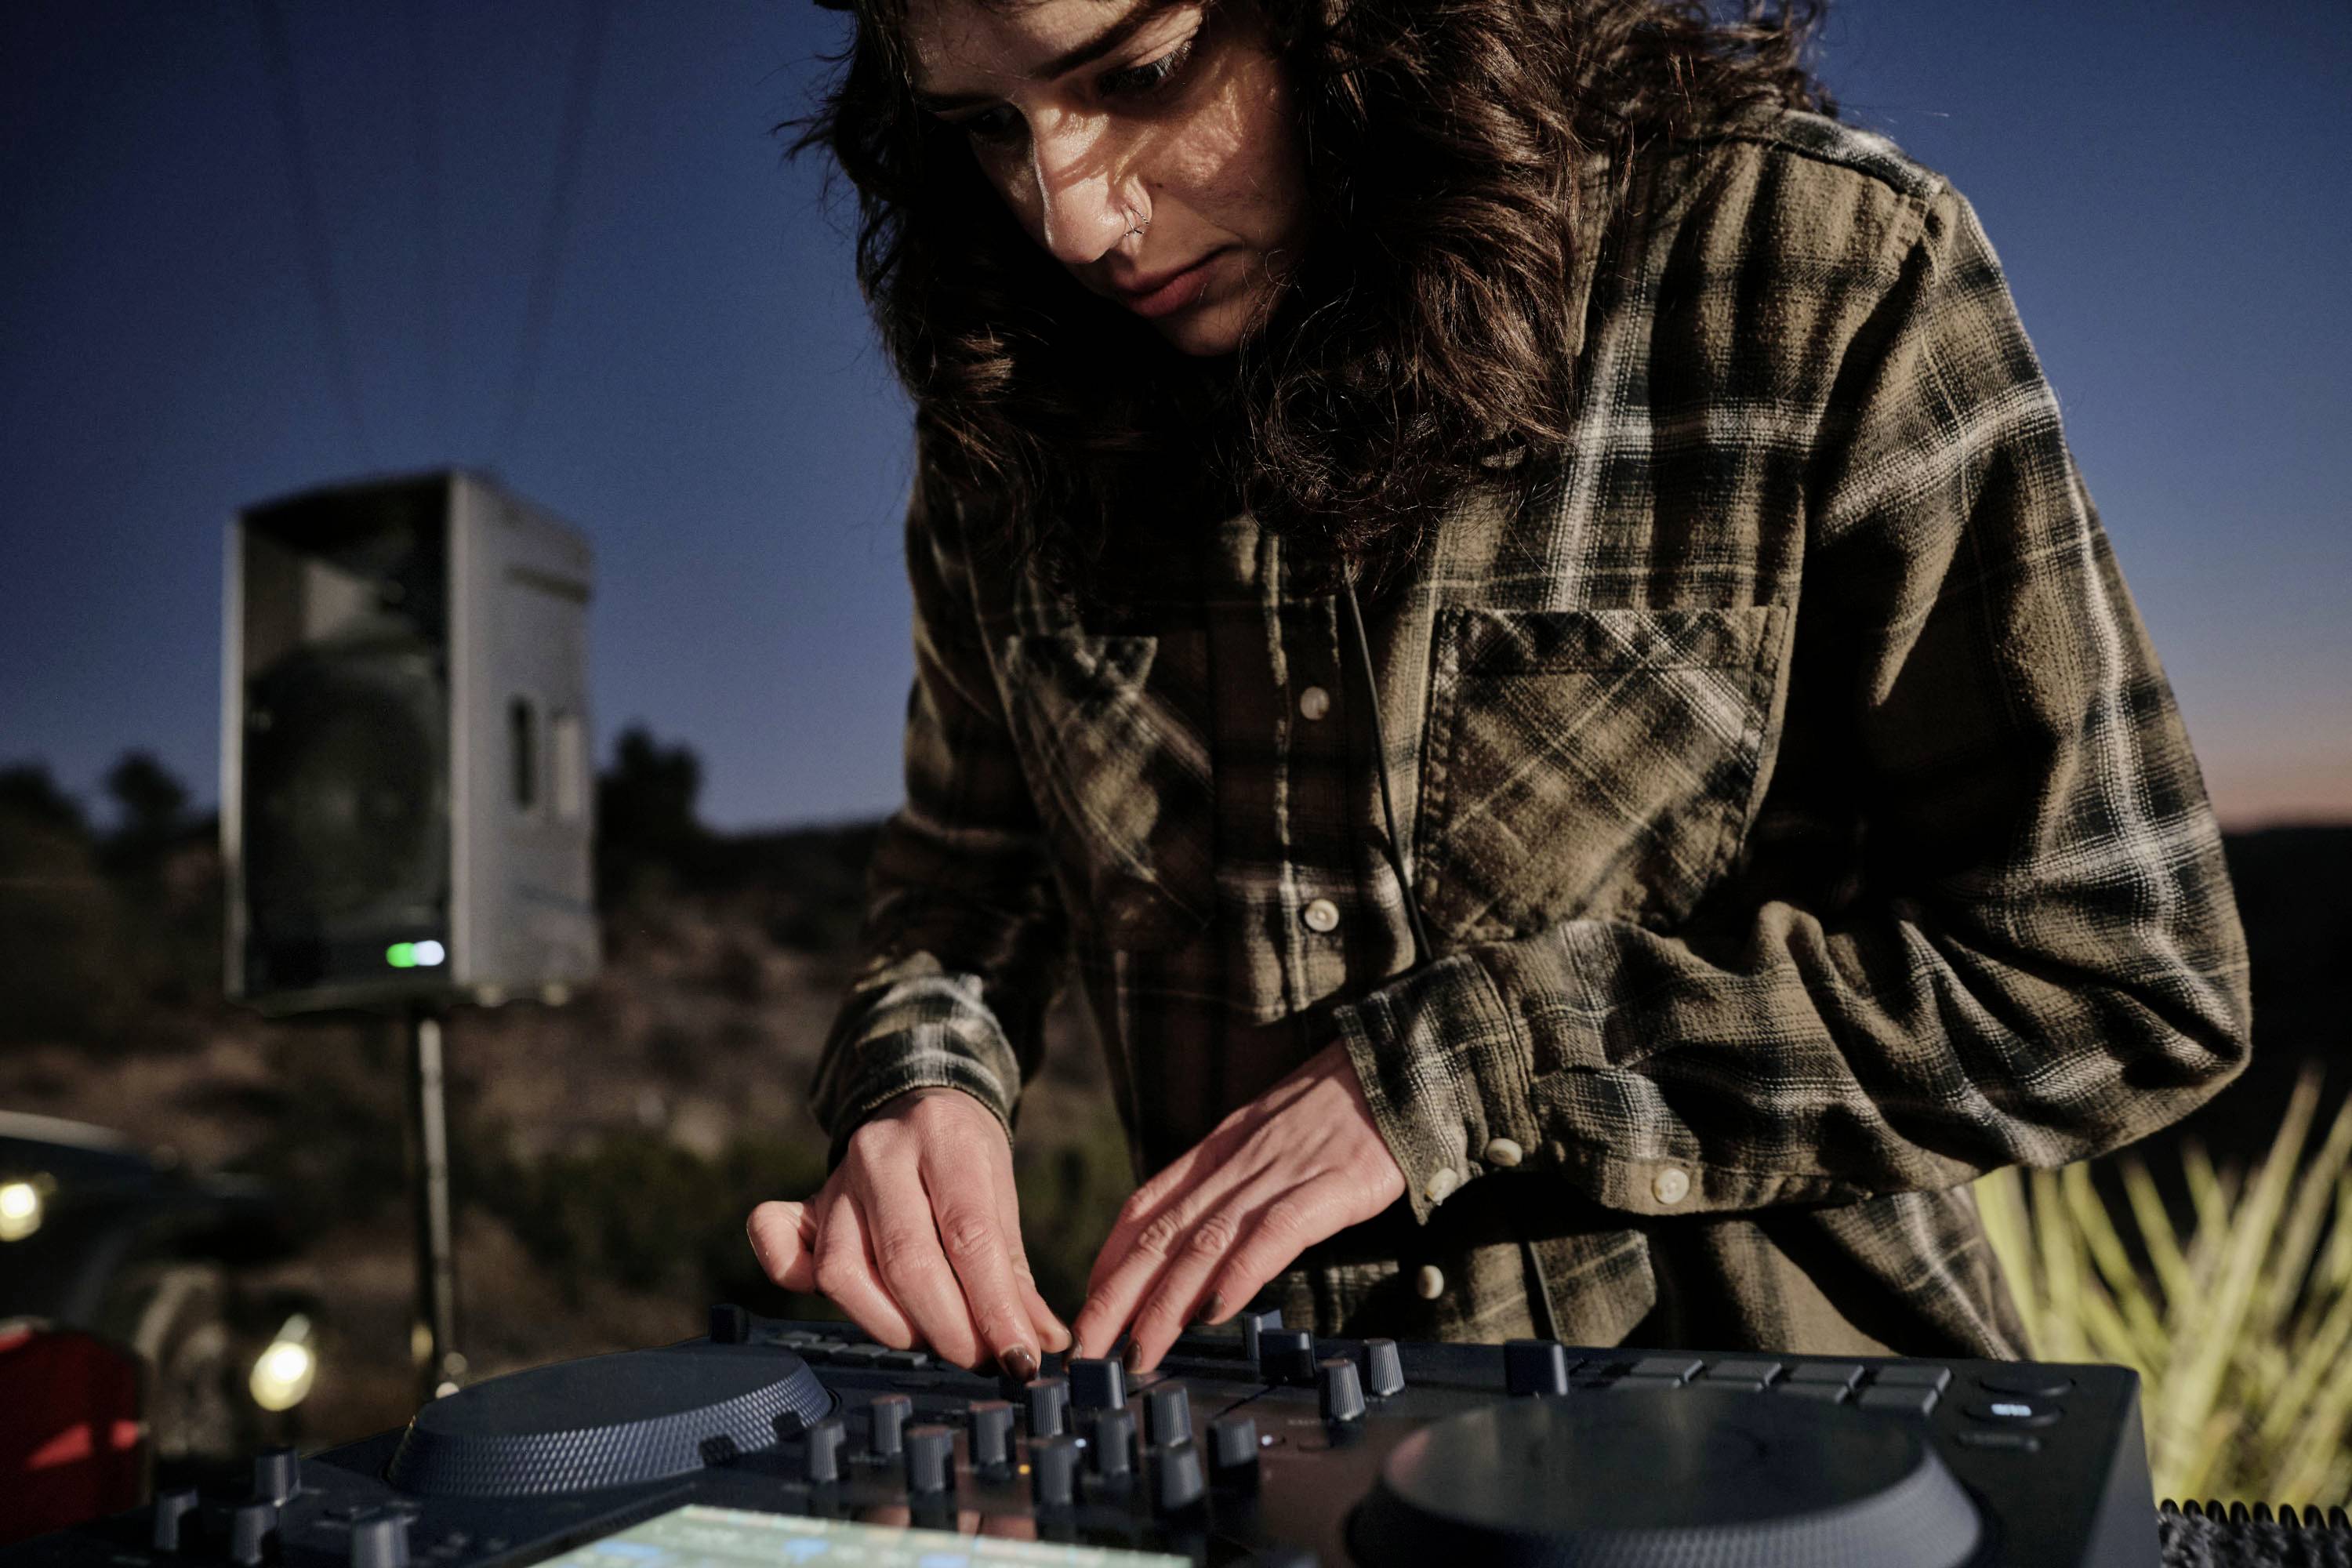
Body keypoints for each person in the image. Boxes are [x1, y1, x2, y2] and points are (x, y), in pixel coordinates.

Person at [746, 0, 2252, 1381]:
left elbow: (2123, 977)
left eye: (1138, 74)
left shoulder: (1814, 266)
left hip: (1794, 1448)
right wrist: (917, 1081)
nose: (1072, 217)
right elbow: (964, 882)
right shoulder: (1005, 412)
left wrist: (1486, 1067)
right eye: (985, 127)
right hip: (1261, 1454)